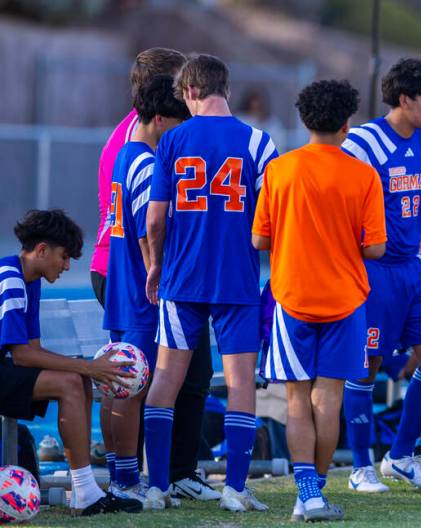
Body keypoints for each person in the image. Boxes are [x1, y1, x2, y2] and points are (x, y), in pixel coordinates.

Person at [143, 53, 278, 512]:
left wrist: (156, 266)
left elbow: (156, 220)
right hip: (238, 280)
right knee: (240, 384)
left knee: (166, 379)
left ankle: (157, 485)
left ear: (192, 91)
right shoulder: (259, 142)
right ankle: (235, 489)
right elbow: (273, 221)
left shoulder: (174, 139)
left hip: (183, 280)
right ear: (226, 88)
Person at [253, 79, 386, 522]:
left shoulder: (279, 170)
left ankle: (307, 492)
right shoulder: (363, 175)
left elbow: (258, 238)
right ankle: (316, 493)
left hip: (291, 297)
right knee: (329, 400)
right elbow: (375, 249)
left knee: (296, 399)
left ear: (304, 119)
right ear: (348, 124)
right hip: (346, 300)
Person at [340, 58, 421, 493]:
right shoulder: (364, 142)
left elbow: (412, 194)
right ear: (404, 99)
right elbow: (342, 201)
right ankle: (361, 467)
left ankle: (401, 457)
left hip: (412, 265)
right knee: (365, 366)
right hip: (373, 270)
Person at [0, 209, 142, 516]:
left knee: (76, 378)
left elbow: (32, 348)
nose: (66, 266)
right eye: (64, 257)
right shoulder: (10, 278)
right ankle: (86, 493)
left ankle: (84, 489)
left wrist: (84, 368)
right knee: (72, 378)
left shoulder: (30, 279)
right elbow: (22, 355)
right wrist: (89, 367)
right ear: (41, 250)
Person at [102, 74, 190, 503]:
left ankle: (123, 476)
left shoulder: (126, 154)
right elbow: (145, 229)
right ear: (159, 119)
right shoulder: (146, 163)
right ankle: (126, 480)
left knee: (123, 385)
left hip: (124, 291)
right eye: (178, 123)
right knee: (134, 389)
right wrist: (156, 271)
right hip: (142, 295)